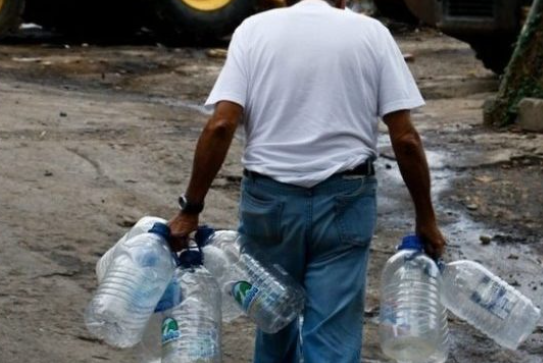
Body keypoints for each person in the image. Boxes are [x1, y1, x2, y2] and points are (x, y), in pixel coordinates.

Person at [168, 0, 446, 361]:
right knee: (331, 337)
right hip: (345, 200)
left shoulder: (254, 31)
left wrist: (191, 208)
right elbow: (405, 140)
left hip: (269, 204)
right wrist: (425, 217)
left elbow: (221, 125)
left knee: (274, 319)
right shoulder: (372, 35)